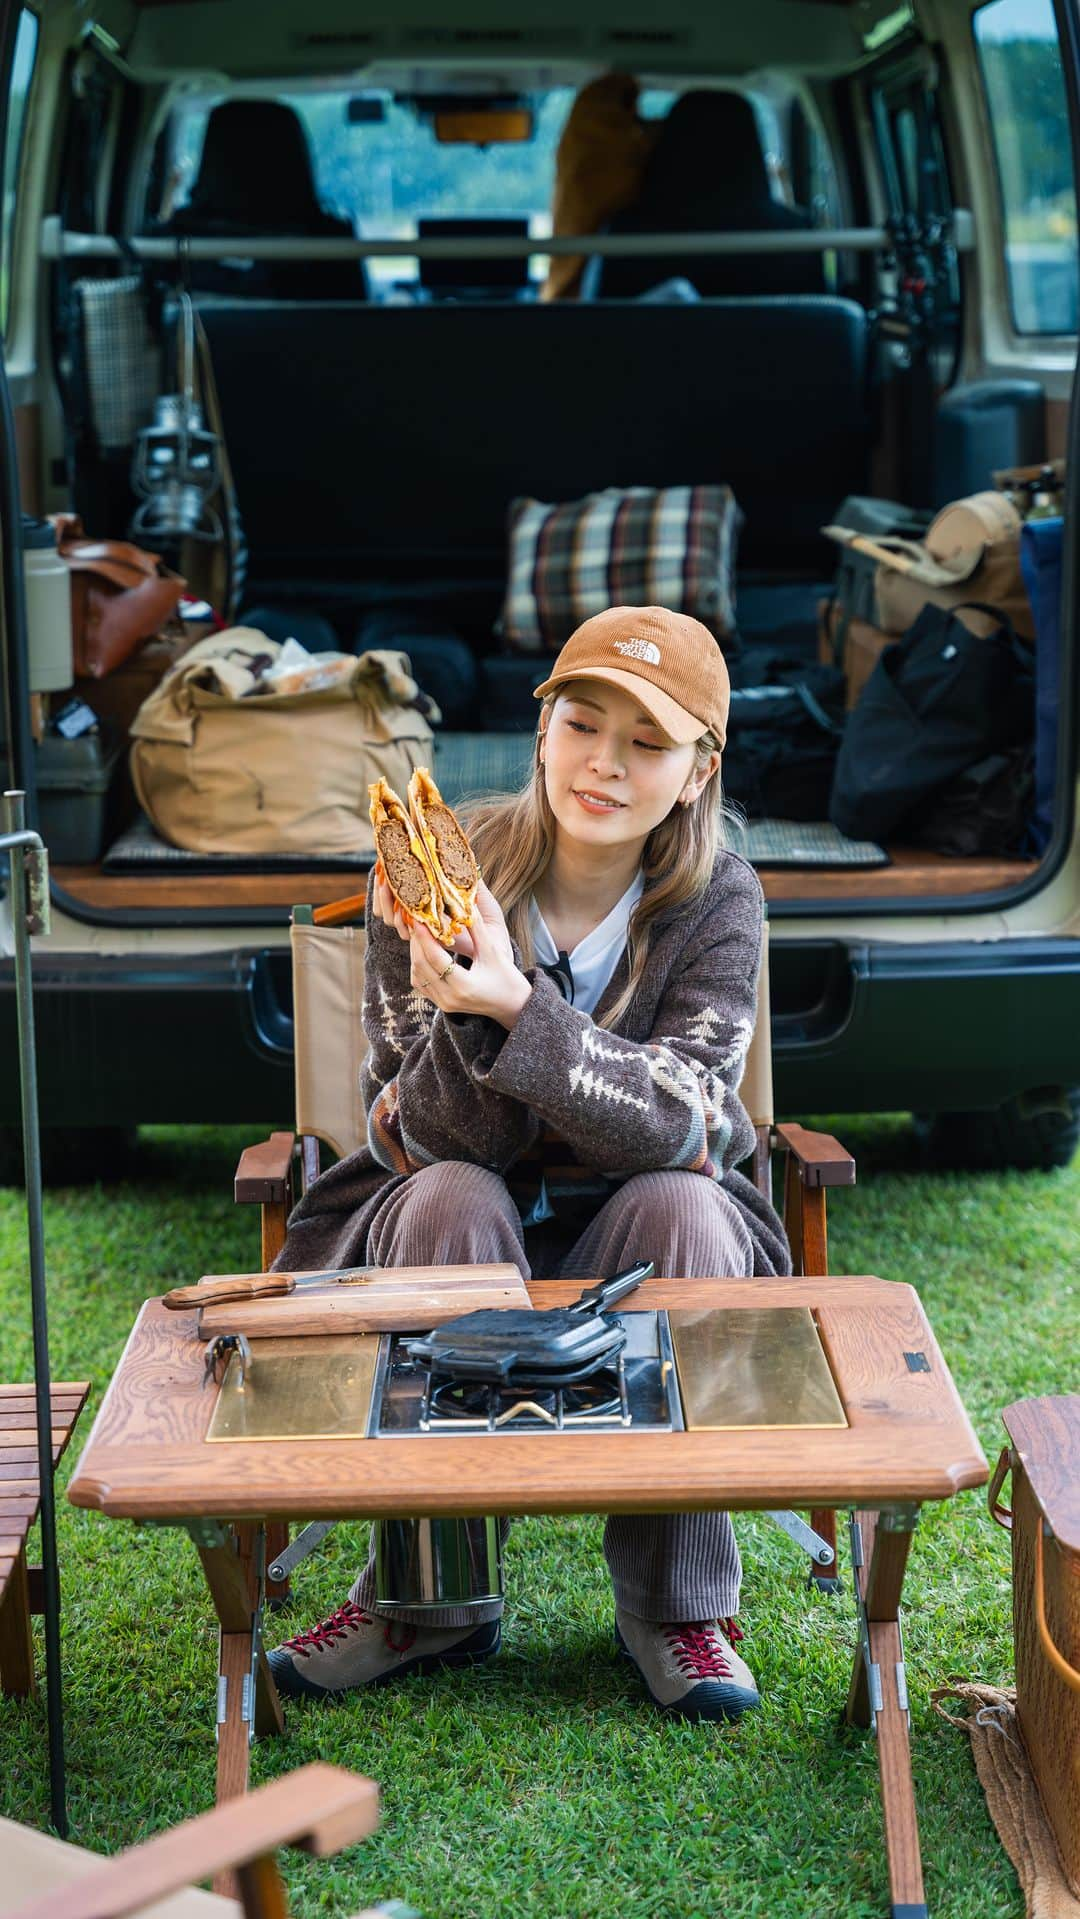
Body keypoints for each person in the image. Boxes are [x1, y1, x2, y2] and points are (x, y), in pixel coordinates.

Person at [268, 605, 790, 1723]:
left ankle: (675, 1604)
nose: (605, 762)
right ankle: (428, 1596)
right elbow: (420, 1133)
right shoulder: (431, 867)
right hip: (461, 1216)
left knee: (687, 1205)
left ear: (699, 770)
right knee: (446, 1193)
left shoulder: (719, 901)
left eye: (647, 742)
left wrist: (516, 1004)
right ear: (541, 727)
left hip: (637, 1230)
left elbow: (690, 1121)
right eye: (582, 722)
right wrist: (471, 998)